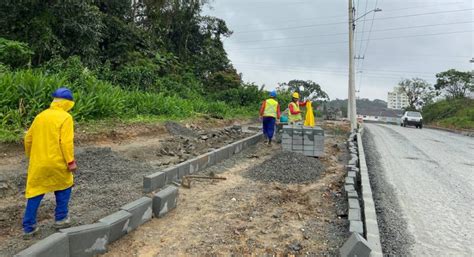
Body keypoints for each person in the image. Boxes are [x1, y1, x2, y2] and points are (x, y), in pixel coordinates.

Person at [22, 87, 77, 239]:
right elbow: (66, 143)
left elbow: (28, 139)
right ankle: (61, 219)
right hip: (57, 163)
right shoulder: (66, 118)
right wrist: (70, 161)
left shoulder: (40, 116)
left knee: (35, 192)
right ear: (68, 103)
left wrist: (31, 156)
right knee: (65, 186)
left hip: (38, 163)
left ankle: (29, 227)